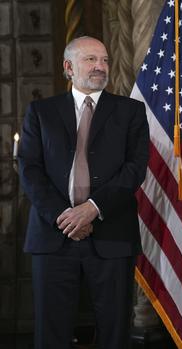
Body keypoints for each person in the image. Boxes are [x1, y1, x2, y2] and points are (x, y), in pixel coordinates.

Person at [18, 36, 149, 349]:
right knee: (51, 330)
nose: (100, 67)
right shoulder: (41, 112)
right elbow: (29, 169)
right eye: (91, 60)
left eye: (104, 60)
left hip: (111, 234)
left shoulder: (130, 111)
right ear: (68, 67)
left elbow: (135, 169)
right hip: (53, 236)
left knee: (114, 330)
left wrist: (92, 208)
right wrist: (64, 216)